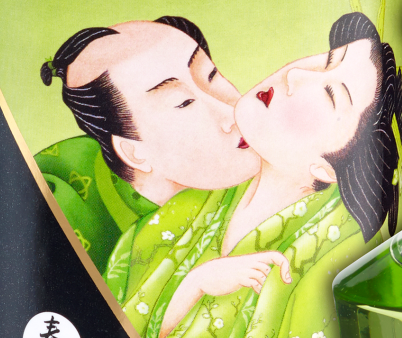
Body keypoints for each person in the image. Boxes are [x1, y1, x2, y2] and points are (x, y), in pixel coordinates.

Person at [107, 11, 402, 338]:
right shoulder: (186, 212)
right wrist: (192, 288)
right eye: (324, 60)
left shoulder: (338, 266)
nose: (295, 75)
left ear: (325, 167)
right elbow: (106, 337)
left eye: (329, 94)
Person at [35, 17, 257, 273]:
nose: (231, 113)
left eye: (211, 76)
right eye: (183, 102)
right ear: (134, 152)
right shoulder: (63, 209)